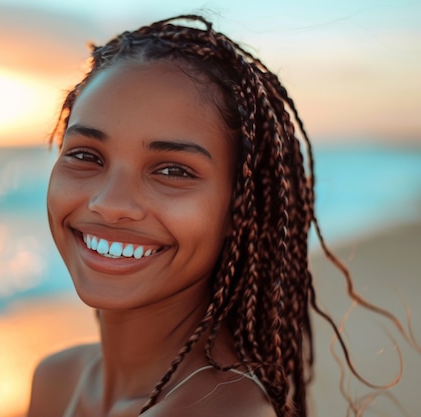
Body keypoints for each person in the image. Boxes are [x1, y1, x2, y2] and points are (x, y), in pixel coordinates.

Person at [27, 14, 416, 417]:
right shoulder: (56, 377)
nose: (109, 203)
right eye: (86, 156)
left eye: (173, 170)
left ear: (239, 207)